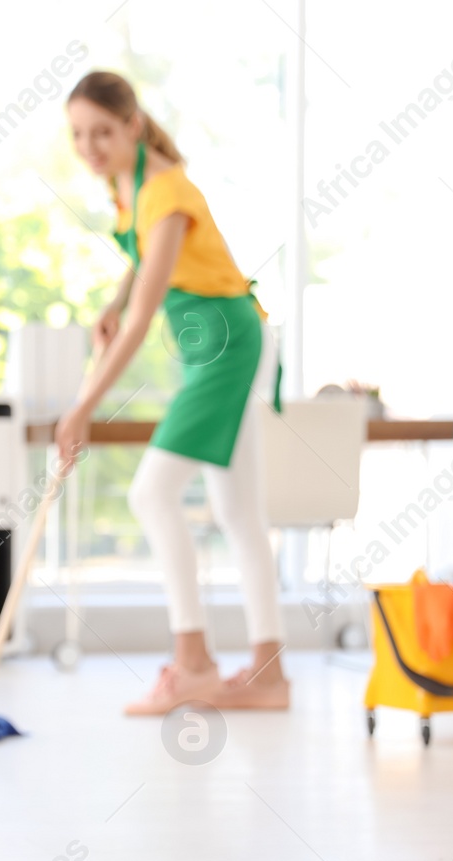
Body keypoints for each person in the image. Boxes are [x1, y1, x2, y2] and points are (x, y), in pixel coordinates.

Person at [56, 71, 289, 716]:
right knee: (239, 513)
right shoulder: (130, 182)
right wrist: (115, 296)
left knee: (150, 492)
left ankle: (194, 665)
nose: (90, 147)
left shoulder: (167, 189)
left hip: (226, 343)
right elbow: (145, 262)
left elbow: (143, 318)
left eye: (102, 132)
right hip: (210, 341)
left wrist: (83, 408)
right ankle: (269, 678)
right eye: (78, 134)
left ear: (133, 124)